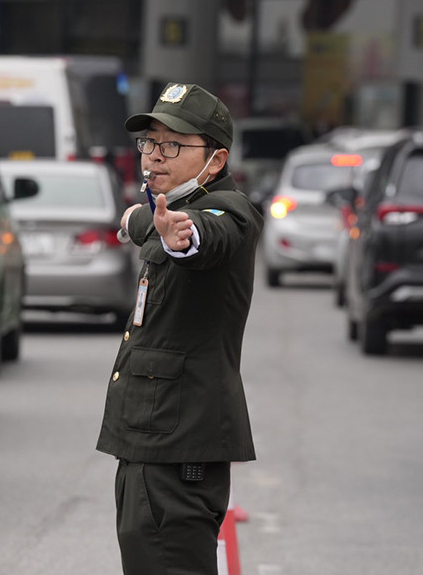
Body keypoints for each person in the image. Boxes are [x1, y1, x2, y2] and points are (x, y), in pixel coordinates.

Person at [96, 82, 263, 575]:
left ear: (216, 160)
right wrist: (144, 220)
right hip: (154, 444)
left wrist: (170, 232)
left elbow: (203, 238)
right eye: (149, 142)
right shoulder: (165, 208)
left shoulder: (226, 211)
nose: (154, 158)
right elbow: (154, 223)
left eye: (173, 145)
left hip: (176, 451)